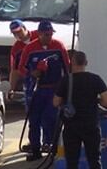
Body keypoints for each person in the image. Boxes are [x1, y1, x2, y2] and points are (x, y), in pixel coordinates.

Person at [53, 50, 107, 169]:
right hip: (91, 125)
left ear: (72, 63)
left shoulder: (66, 80)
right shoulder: (95, 79)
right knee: (95, 159)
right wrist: (96, 100)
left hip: (72, 126)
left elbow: (55, 102)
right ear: (86, 63)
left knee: (72, 161)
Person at [14, 20, 70, 161]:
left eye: (50, 34)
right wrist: (33, 73)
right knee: (34, 120)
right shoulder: (30, 48)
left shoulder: (58, 46)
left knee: (52, 119)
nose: (49, 37)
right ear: (39, 34)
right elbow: (21, 68)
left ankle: (52, 146)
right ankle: (35, 148)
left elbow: (67, 67)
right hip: (35, 90)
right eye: (46, 34)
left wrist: (66, 89)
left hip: (53, 89)